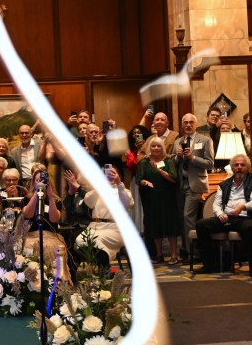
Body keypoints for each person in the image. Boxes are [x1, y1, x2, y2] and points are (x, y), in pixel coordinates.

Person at [194, 153, 252, 275]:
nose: (239, 167)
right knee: (201, 225)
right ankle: (209, 264)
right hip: (227, 217)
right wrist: (220, 214)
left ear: (248, 167)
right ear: (232, 167)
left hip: (245, 217)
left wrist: (243, 206)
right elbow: (217, 203)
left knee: (249, 227)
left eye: (242, 165)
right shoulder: (225, 183)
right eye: (236, 165)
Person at [64, 164, 133, 270]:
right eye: (107, 174)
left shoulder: (123, 191)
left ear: (119, 176)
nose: (110, 176)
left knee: (94, 241)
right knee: (79, 241)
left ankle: (103, 269)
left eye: (113, 173)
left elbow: (126, 203)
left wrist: (119, 183)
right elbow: (88, 201)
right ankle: (104, 268)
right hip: (94, 226)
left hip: (114, 229)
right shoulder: (98, 191)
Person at [173, 113, 214, 264]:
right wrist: (177, 158)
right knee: (182, 219)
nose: (188, 125)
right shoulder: (178, 142)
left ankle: (193, 254)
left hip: (195, 185)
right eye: (186, 123)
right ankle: (188, 250)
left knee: (187, 217)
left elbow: (210, 164)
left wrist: (192, 158)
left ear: (196, 125)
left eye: (191, 122)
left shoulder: (205, 140)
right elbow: (172, 163)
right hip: (179, 184)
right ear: (182, 125)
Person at [135, 136, 181, 264]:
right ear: (150, 148)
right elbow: (139, 179)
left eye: (158, 146)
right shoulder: (144, 162)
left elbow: (174, 178)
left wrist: (159, 171)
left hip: (168, 197)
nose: (156, 148)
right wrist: (145, 182)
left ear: (163, 148)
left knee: (171, 225)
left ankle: (174, 254)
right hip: (151, 198)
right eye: (153, 146)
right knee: (155, 226)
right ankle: (159, 254)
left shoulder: (169, 160)